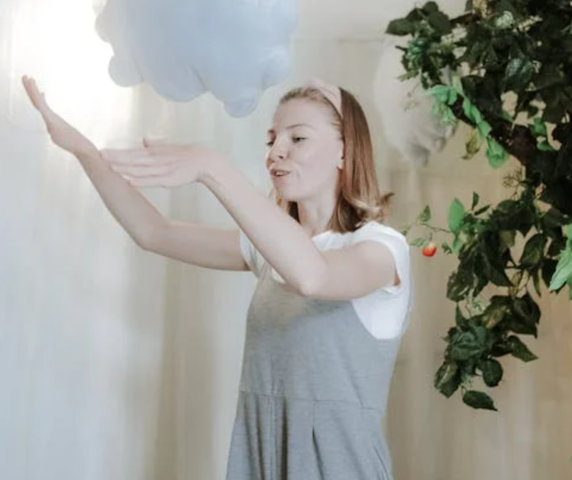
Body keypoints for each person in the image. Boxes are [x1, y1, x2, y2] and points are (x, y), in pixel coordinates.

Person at [22, 75, 413, 480]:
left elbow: (313, 276)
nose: (276, 152)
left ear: (345, 150)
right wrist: (84, 152)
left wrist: (212, 168)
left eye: (298, 138)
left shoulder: (382, 249)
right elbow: (154, 232)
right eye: (271, 139)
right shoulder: (271, 252)